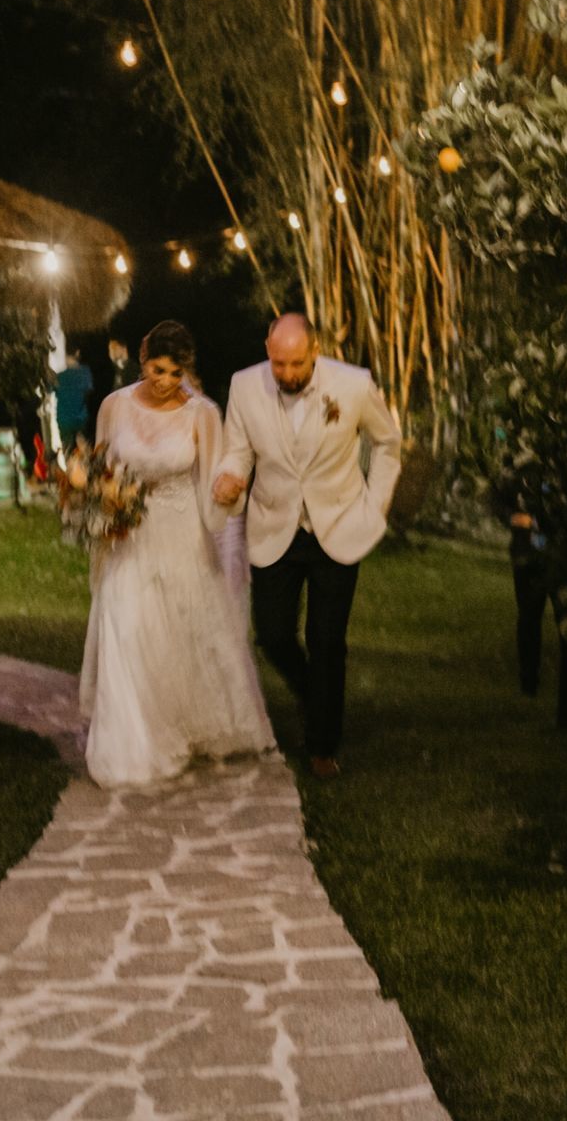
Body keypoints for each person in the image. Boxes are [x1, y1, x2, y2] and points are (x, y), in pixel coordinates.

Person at [78, 321, 276, 788]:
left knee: (175, 636)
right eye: (155, 369)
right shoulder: (115, 406)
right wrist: (97, 503)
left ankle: (174, 723)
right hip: (127, 536)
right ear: (142, 360)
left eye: (173, 372)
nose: (164, 381)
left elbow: (216, 480)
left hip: (182, 534)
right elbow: (101, 468)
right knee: (125, 628)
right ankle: (128, 744)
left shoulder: (202, 413)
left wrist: (231, 491)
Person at [213, 313, 402, 779]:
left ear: (315, 351)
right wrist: (230, 477)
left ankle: (323, 744)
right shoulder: (243, 386)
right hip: (274, 526)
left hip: (337, 527)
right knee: (273, 635)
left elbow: (388, 443)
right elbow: (238, 449)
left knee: (327, 642)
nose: (289, 374)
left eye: (297, 363)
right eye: (279, 364)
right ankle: (313, 694)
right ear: (267, 350)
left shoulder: (354, 385)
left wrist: (375, 506)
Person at [508, 511, 567, 729]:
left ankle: (566, 710)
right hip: (530, 557)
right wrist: (525, 522)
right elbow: (504, 504)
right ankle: (529, 681)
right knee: (529, 617)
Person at [55, 348, 94, 456]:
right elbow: (88, 393)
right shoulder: (85, 372)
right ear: (77, 352)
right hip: (81, 417)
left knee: (68, 453)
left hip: (64, 420)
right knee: (85, 453)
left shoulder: (59, 376)